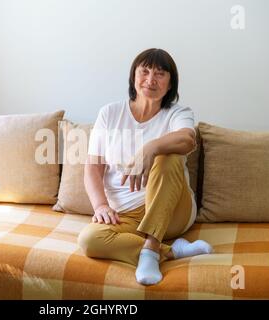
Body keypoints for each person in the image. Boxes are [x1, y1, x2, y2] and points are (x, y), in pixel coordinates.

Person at [77, 48, 213, 286]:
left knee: (168, 155)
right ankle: (171, 250)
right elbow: (93, 166)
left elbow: (187, 140)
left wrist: (151, 147)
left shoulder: (178, 113)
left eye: (160, 74)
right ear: (134, 76)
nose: (151, 79)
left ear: (170, 84)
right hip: (126, 216)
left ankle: (151, 248)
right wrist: (100, 205)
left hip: (172, 211)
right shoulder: (110, 113)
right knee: (89, 240)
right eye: (145, 71)